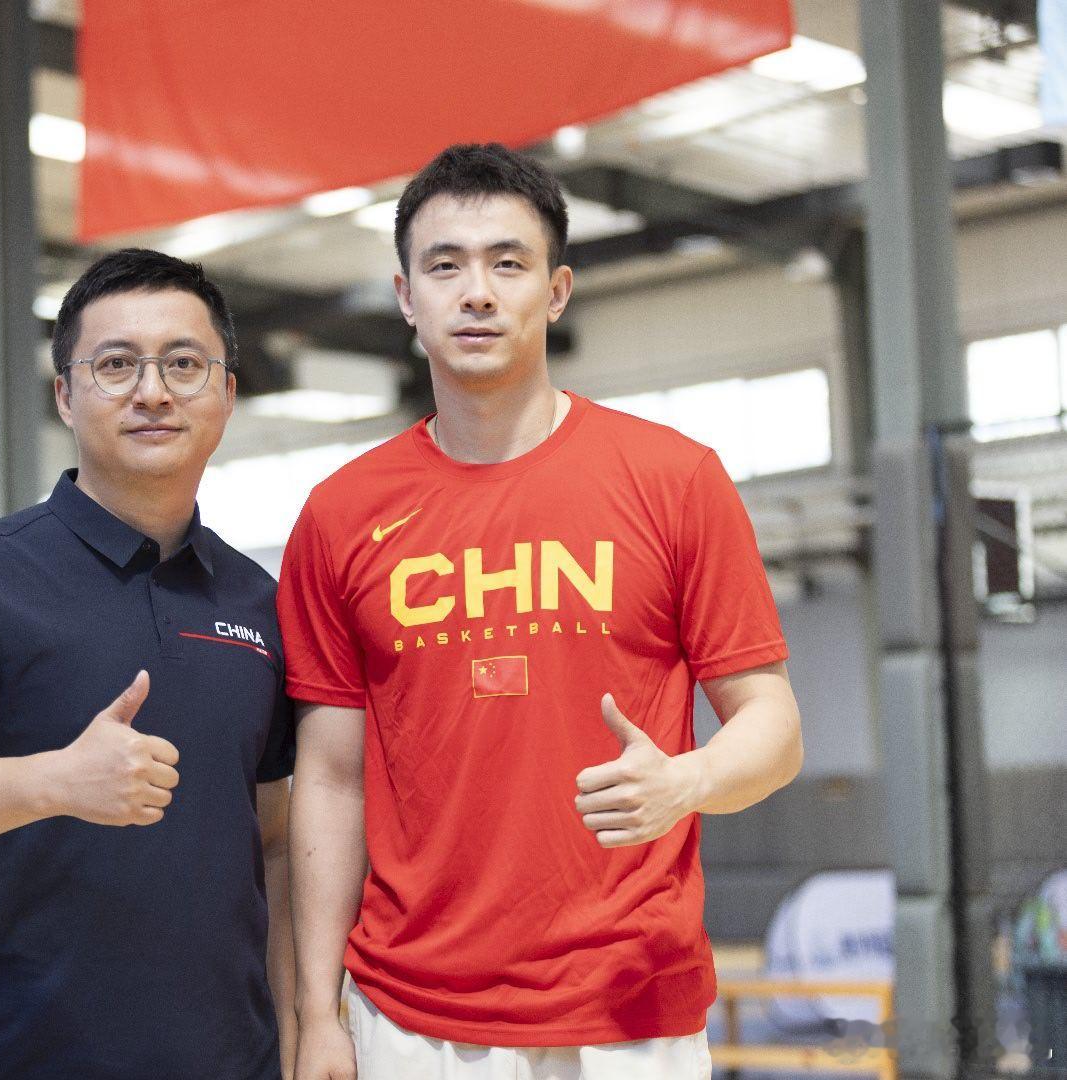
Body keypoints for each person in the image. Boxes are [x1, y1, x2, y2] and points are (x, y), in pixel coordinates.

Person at [279, 144, 804, 1080]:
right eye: (445, 266)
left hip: (628, 1008)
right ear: (406, 297)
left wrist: (686, 781)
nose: (476, 293)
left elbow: (773, 727)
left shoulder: (673, 479)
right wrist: (316, 1011)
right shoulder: (339, 514)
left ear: (556, 292)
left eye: (507, 263)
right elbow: (328, 779)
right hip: (410, 1016)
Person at [0, 248, 296, 1080]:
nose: (152, 391)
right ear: (65, 395)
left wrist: (298, 1028)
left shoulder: (258, 601)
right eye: (116, 364)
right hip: (22, 1060)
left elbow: (273, 840)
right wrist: (59, 781)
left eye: (184, 364)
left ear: (226, 394)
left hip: (231, 1062)